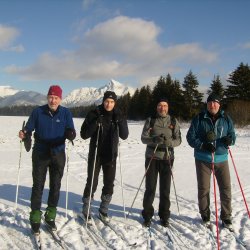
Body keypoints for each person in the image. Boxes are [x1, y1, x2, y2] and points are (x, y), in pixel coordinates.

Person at [19, 85, 76, 234]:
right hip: (40, 153)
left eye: (56, 98)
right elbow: (29, 128)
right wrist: (24, 133)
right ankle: (35, 217)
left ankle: (50, 216)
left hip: (58, 154)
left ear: (60, 99)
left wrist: (71, 133)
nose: (53, 100)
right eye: (51, 97)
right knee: (38, 186)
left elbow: (71, 129)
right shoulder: (38, 112)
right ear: (47, 97)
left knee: (55, 186)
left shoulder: (66, 113)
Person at [186, 93, 236, 229]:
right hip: (203, 159)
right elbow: (190, 137)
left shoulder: (226, 118)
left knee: (226, 189)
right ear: (206, 104)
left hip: (222, 159)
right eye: (210, 103)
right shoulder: (199, 118)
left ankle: (226, 217)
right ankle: (205, 215)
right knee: (204, 189)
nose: (213, 105)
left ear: (219, 105)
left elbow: (233, 135)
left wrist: (229, 140)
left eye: (215, 103)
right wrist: (202, 145)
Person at [80, 91, 129, 220]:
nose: (109, 104)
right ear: (103, 101)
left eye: (112, 102)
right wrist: (96, 123)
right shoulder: (94, 113)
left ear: (115, 103)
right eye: (107, 101)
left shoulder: (118, 115)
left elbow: (124, 135)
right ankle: (86, 209)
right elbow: (84, 134)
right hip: (96, 153)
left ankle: (103, 209)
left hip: (110, 154)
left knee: (109, 183)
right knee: (92, 181)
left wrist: (120, 122)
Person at [141, 98, 182, 227]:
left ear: (168, 107)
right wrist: (154, 139)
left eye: (164, 105)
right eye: (160, 105)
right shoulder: (150, 120)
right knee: (150, 188)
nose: (162, 108)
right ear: (156, 107)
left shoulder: (174, 121)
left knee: (165, 189)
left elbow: (179, 140)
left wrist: (170, 143)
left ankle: (164, 216)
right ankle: (147, 215)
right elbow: (143, 138)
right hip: (152, 158)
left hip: (167, 158)